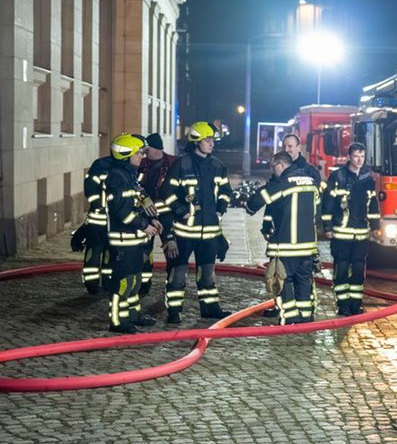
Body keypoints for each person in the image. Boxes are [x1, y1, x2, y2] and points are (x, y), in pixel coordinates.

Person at [158, 121, 232, 324]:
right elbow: (166, 193)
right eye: (207, 140)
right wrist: (180, 209)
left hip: (209, 235)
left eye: (212, 141)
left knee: (208, 275)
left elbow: (226, 192)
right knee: (178, 275)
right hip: (184, 234)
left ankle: (210, 309)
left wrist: (220, 209)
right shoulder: (182, 165)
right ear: (196, 141)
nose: (211, 144)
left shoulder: (218, 166)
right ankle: (174, 312)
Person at [248, 152, 320, 324]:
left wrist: (265, 190)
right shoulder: (310, 182)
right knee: (303, 280)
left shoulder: (281, 183)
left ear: (280, 164)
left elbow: (255, 202)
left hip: (285, 246)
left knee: (281, 280)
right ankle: (305, 316)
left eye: (273, 167)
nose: (272, 172)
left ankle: (289, 317)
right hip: (308, 247)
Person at [103, 134, 162, 332]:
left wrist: (152, 219)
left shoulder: (130, 176)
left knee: (135, 281)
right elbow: (121, 211)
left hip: (135, 240)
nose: (142, 156)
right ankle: (118, 321)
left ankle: (133, 315)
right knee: (123, 282)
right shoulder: (116, 178)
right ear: (125, 154)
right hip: (123, 241)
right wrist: (143, 225)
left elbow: (138, 204)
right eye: (138, 153)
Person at [322, 142, 380, 317]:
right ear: (349, 157)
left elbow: (373, 205)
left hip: (361, 233)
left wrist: (375, 227)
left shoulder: (368, 178)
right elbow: (328, 204)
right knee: (341, 270)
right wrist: (328, 227)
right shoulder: (338, 177)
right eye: (356, 156)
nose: (359, 160)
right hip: (341, 233)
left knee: (358, 272)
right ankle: (343, 305)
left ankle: (355, 305)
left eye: (362, 156)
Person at [134, 133, 176, 296]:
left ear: (154, 148)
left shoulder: (173, 163)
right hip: (145, 215)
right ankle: (144, 285)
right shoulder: (140, 164)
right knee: (144, 250)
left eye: (146, 148)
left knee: (172, 250)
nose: (143, 152)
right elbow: (135, 185)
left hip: (167, 216)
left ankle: (172, 286)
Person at [75, 149, 117, 294]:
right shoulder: (100, 165)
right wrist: (101, 206)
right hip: (98, 220)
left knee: (110, 253)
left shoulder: (126, 167)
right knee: (94, 252)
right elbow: (90, 189)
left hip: (115, 222)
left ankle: (107, 282)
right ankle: (91, 284)